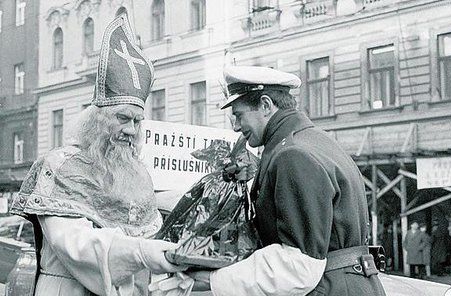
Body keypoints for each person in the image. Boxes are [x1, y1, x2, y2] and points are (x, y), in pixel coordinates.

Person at [9, 14, 186, 296]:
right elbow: (78, 246)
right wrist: (142, 253)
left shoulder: (136, 173)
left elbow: (150, 234)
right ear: (98, 121)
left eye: (137, 122)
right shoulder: (61, 166)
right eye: (123, 118)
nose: (131, 130)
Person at [187, 65, 386, 295]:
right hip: (347, 284)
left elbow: (298, 264)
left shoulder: (292, 155)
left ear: (265, 105)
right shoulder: (314, 141)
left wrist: (212, 280)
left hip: (329, 288)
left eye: (239, 115)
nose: (236, 127)